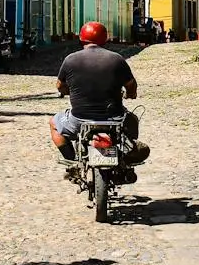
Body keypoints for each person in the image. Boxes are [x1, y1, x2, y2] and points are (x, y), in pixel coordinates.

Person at [51, 21, 138, 163]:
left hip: (79, 120)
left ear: (81, 38)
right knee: (132, 121)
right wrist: (130, 94)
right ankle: (127, 153)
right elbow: (131, 84)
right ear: (105, 38)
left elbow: (60, 86)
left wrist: (69, 91)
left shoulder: (70, 59)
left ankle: (72, 160)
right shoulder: (117, 59)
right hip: (114, 118)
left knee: (54, 124)